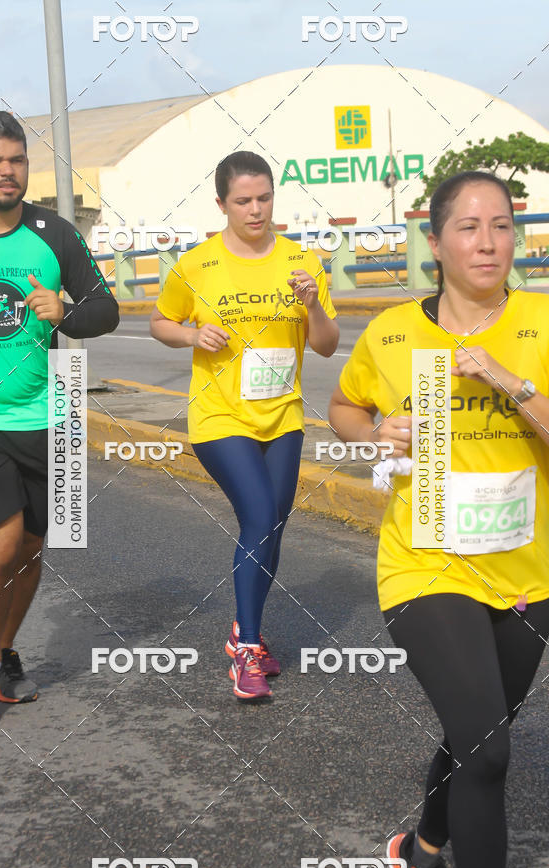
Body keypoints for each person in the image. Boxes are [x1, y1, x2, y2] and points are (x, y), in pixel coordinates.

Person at [329, 171, 549, 868]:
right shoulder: (393, 332)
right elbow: (343, 407)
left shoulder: (543, 323)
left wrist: (510, 383)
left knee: (473, 733)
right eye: (469, 227)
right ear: (436, 241)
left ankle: (421, 848)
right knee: (489, 751)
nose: (488, 242)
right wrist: (375, 430)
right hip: (426, 564)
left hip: (528, 571)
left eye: (502, 226)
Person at [0, 110, 119, 723]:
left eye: (16, 160)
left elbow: (106, 309)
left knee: (30, 546)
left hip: (51, 412)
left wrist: (64, 313)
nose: (7, 171)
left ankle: (8, 651)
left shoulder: (55, 235)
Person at [151, 150, 339, 700]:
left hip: (283, 414)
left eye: (264, 198)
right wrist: (192, 336)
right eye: (243, 201)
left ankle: (242, 631)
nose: (256, 210)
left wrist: (313, 307)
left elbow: (326, 347)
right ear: (221, 204)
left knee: (273, 525)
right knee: (258, 513)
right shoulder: (198, 264)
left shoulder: (302, 262)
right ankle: (249, 648)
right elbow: (163, 321)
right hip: (220, 416)